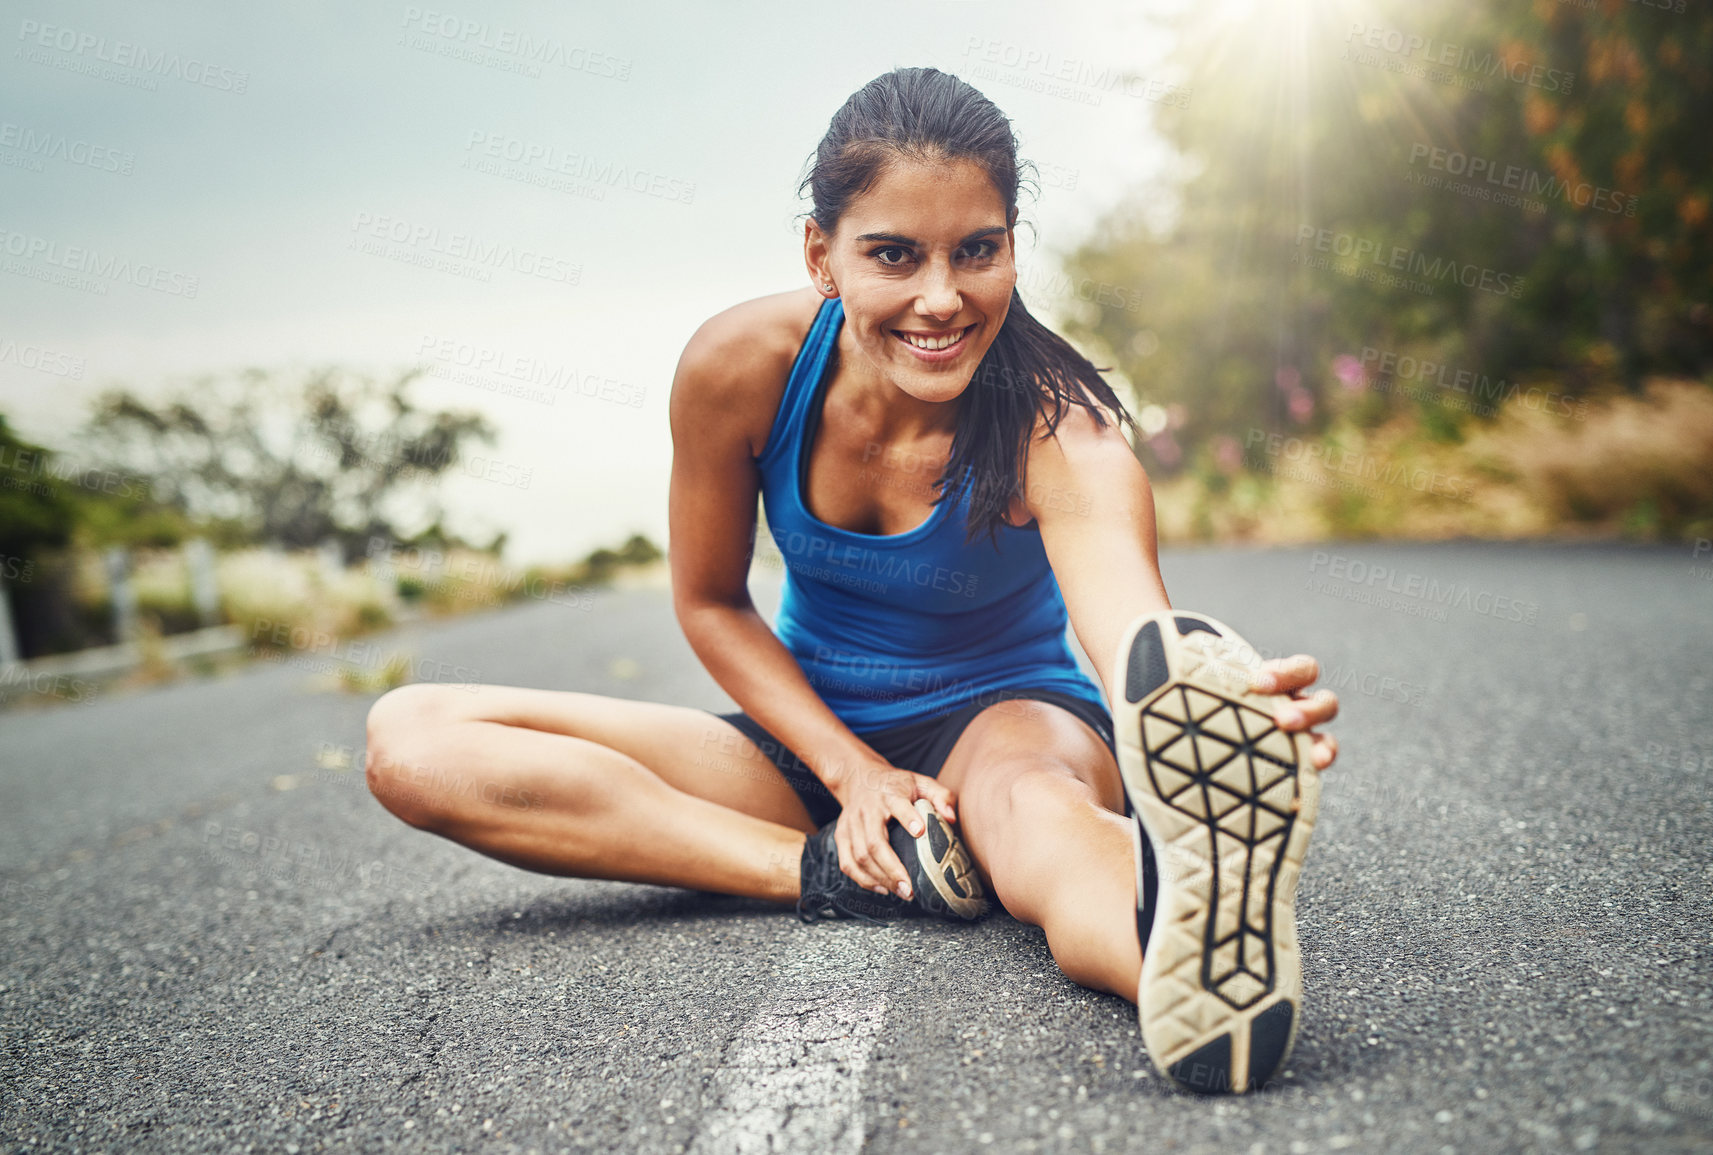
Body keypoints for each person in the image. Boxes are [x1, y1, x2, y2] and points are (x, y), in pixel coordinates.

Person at [363, 66, 1339, 1096]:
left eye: (978, 251)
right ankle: (841, 874)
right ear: (820, 255)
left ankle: (1185, 956)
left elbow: (1131, 634)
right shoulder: (740, 367)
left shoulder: (1063, 428)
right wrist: (853, 779)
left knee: (1040, 816)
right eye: (893, 255)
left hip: (1003, 724)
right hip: (810, 740)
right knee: (414, 742)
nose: (940, 297)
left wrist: (1205, 706)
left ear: (1013, 245)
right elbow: (708, 601)